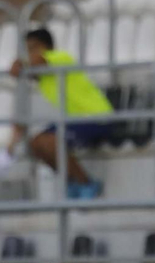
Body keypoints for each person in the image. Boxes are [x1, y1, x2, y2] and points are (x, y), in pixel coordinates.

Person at [7, 27, 111, 199]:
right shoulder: (42, 76)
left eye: (34, 47)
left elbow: (35, 61)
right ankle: (73, 182)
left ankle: (87, 184)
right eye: (27, 49)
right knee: (35, 144)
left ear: (48, 47)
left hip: (96, 117)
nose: (30, 53)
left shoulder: (60, 58)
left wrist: (19, 64)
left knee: (48, 141)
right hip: (77, 120)